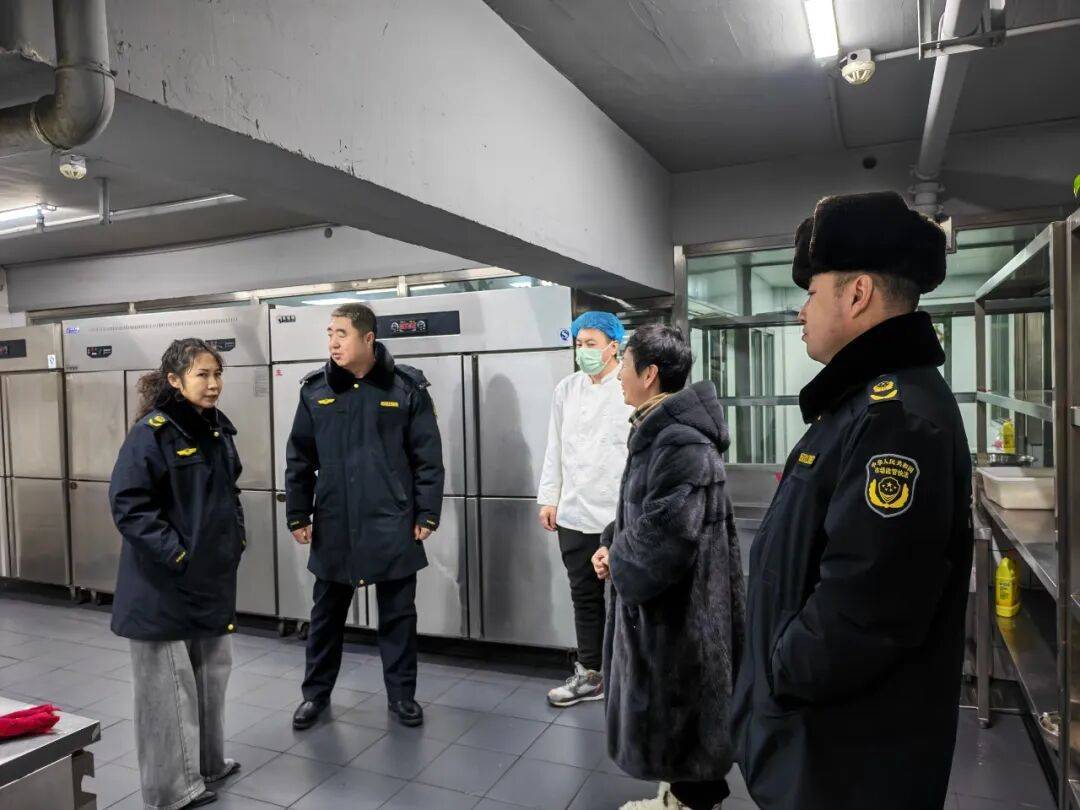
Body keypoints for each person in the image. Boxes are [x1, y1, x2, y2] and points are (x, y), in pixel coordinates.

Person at [731, 191, 974, 810]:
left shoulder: (897, 418)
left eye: (812, 292)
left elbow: (867, 605)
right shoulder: (860, 403)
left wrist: (782, 671)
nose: (802, 312)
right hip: (823, 743)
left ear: (857, 293)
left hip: (847, 758)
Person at [592, 324, 745, 810]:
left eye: (625, 364)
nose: (618, 374)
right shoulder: (657, 432)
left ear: (650, 374)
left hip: (682, 615)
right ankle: (679, 793)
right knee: (676, 714)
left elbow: (668, 538)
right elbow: (643, 514)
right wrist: (612, 542)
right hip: (672, 610)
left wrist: (618, 558)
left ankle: (688, 801)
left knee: (682, 706)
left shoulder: (678, 443)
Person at [287, 302, 444, 730]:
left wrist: (427, 513)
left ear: (368, 338)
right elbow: (299, 458)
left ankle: (402, 696)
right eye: (330, 334)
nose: (333, 342)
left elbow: (428, 458)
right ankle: (314, 695)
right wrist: (298, 512)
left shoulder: (406, 388)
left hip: (391, 520)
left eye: (342, 334)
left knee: (398, 616)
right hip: (335, 522)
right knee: (325, 617)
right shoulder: (316, 390)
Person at [110, 338, 245, 810]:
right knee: (167, 690)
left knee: (210, 678)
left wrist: (235, 540)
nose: (213, 384)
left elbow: (228, 493)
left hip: (208, 581)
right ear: (174, 380)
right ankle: (170, 791)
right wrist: (177, 556)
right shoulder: (152, 433)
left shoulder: (215, 429)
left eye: (217, 373)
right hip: (162, 586)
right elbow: (129, 505)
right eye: (202, 375)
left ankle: (208, 764)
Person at [538, 310, 633, 707]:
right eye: (579, 344)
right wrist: (550, 496)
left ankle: (631, 677)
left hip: (618, 516)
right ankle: (591, 674)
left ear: (614, 346)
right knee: (585, 597)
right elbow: (555, 446)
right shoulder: (567, 389)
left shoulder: (628, 386)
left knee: (628, 599)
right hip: (574, 512)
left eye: (591, 344)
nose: (584, 352)